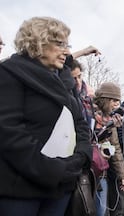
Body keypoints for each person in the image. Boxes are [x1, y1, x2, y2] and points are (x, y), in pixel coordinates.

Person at [0, 16, 92, 215]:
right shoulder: (9, 73)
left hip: (61, 188)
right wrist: (52, 169)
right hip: (21, 190)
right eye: (60, 44)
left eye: (67, 45)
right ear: (37, 41)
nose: (66, 51)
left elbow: (80, 122)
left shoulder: (65, 81)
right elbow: (8, 131)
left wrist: (82, 156)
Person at [92, 82, 124, 216]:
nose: (116, 104)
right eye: (114, 100)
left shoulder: (111, 120)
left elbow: (116, 148)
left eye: (118, 101)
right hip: (86, 172)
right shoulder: (89, 113)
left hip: (102, 171)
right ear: (105, 99)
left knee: (101, 211)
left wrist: (123, 175)